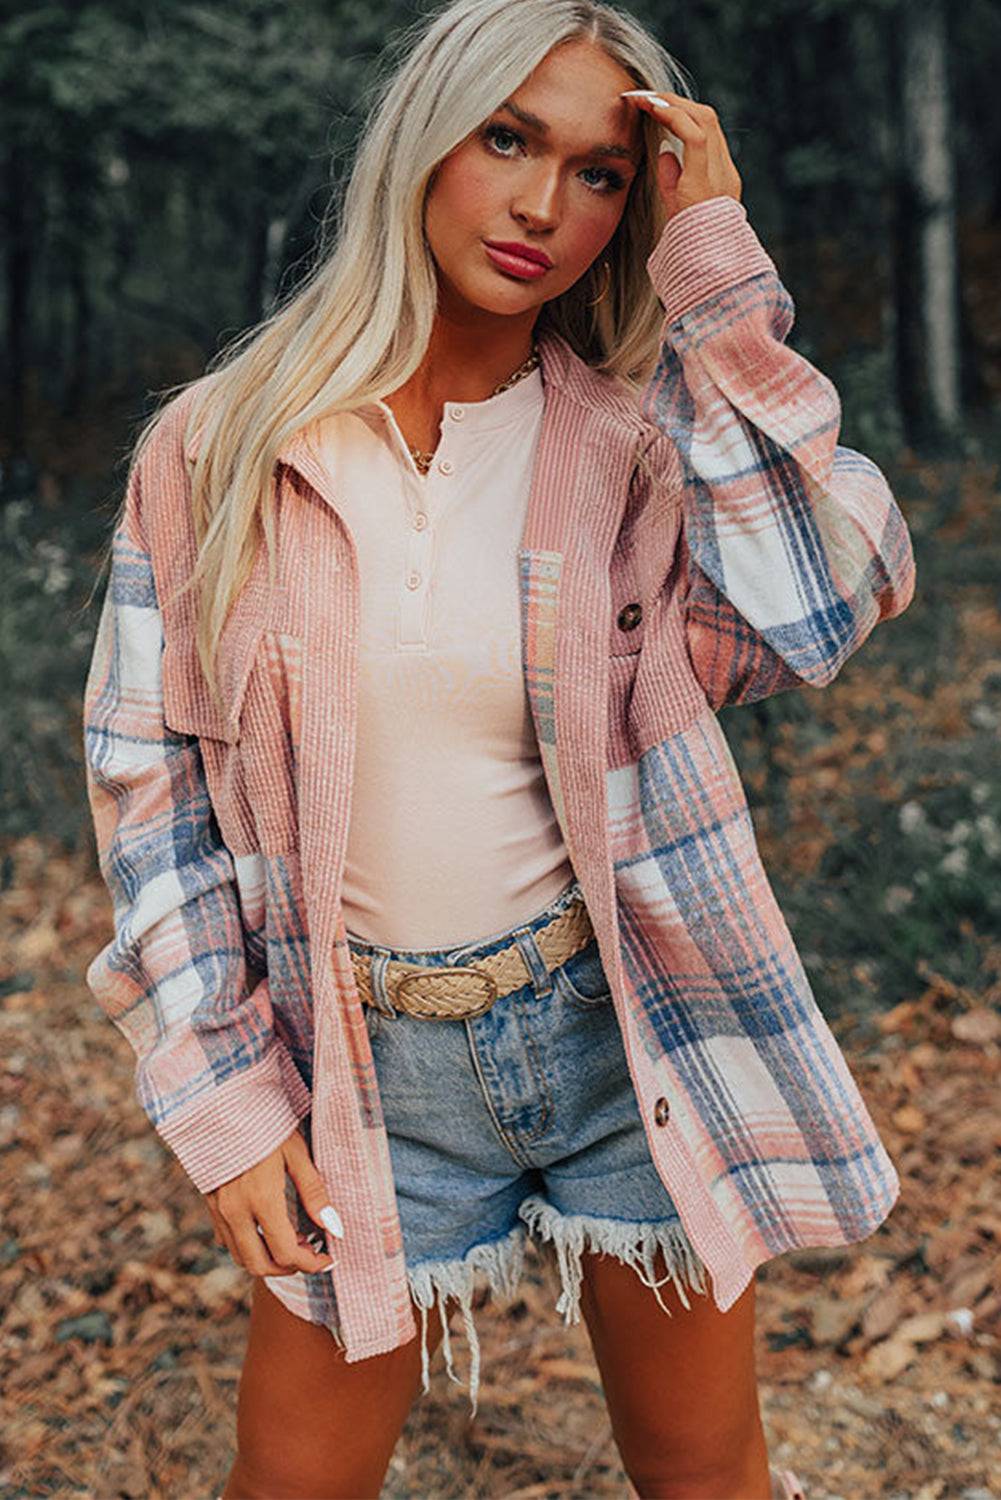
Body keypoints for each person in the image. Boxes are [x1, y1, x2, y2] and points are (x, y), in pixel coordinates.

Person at [81, 0, 915, 1495]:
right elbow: (151, 788)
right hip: (360, 1065)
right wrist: (224, 1100)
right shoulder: (224, 449)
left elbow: (816, 605)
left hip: (622, 1034)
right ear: (425, 143)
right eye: (508, 140)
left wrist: (716, 281)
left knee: (706, 1478)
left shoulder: (634, 451)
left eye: (601, 173)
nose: (544, 206)